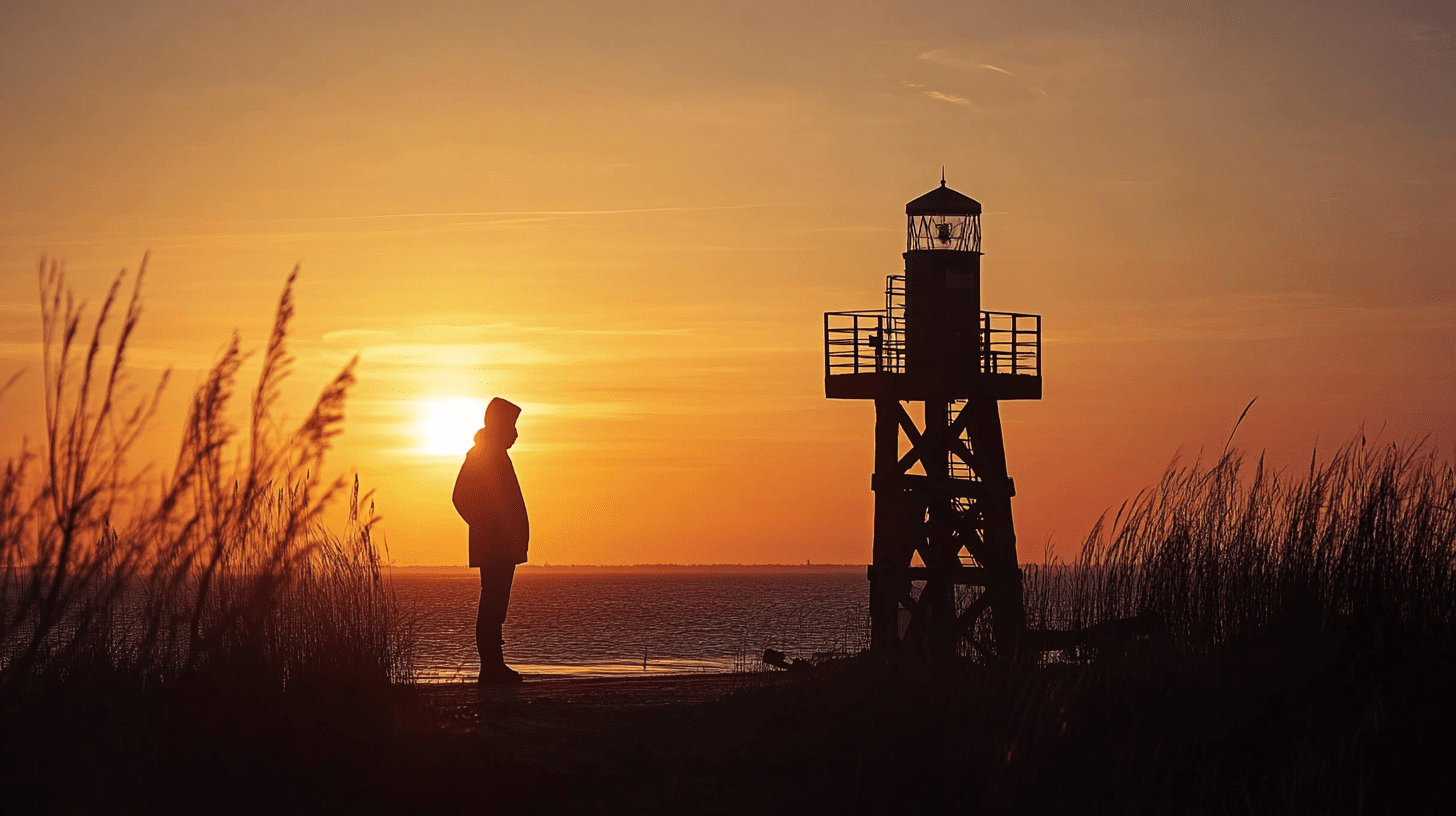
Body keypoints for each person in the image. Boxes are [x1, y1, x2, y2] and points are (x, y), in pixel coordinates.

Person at [452, 398, 529, 684]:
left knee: (496, 604)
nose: (516, 434)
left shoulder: (494, 455)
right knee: (492, 604)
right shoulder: (483, 456)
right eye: (512, 427)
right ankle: (491, 667)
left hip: (502, 545)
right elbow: (460, 497)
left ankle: (495, 665)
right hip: (495, 546)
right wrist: (487, 525)